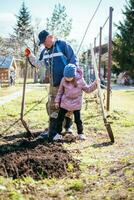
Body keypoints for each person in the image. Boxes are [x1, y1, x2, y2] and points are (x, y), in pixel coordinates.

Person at [25, 30, 78, 141]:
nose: (45, 44)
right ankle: (53, 130)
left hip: (66, 83)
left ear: (51, 37)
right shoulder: (45, 52)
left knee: (68, 106)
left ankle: (68, 128)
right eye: (43, 43)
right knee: (52, 106)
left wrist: (72, 77)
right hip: (53, 84)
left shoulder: (63, 45)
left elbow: (73, 60)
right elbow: (39, 64)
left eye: (45, 41)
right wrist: (30, 55)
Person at [54, 64, 97, 140]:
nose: (67, 78)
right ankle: (58, 133)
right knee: (60, 118)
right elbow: (60, 92)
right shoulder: (63, 80)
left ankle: (80, 133)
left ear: (73, 75)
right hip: (65, 102)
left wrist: (95, 84)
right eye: (66, 77)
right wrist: (57, 101)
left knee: (78, 120)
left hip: (76, 103)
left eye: (69, 77)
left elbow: (88, 89)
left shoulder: (80, 81)